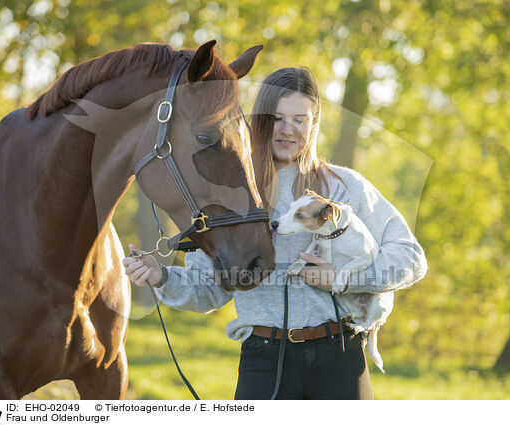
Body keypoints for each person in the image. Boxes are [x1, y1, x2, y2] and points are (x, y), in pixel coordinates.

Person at [123, 67, 427, 400]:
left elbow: (410, 259)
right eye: (278, 118)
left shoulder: (344, 187)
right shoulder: (228, 191)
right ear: (261, 120)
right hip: (263, 361)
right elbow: (210, 291)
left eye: (300, 119)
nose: (288, 130)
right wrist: (161, 277)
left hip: (340, 356)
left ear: (314, 122)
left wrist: (342, 279)